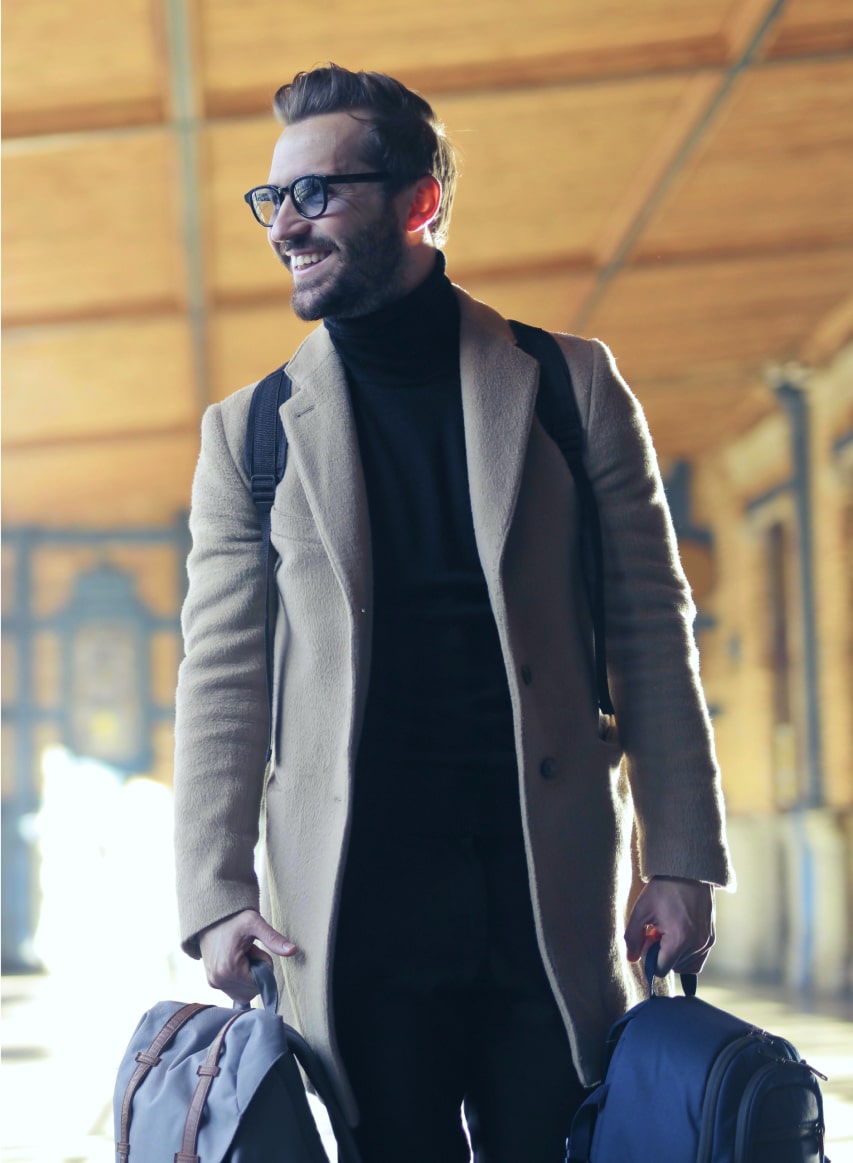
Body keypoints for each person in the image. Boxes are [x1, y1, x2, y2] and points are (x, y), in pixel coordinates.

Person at [174, 64, 734, 1162]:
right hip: (353, 912)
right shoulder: (250, 434)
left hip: (546, 899)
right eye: (272, 200)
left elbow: (652, 632)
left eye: (317, 193)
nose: (285, 225)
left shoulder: (569, 385)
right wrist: (215, 891)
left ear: (419, 202)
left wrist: (679, 853)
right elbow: (222, 677)